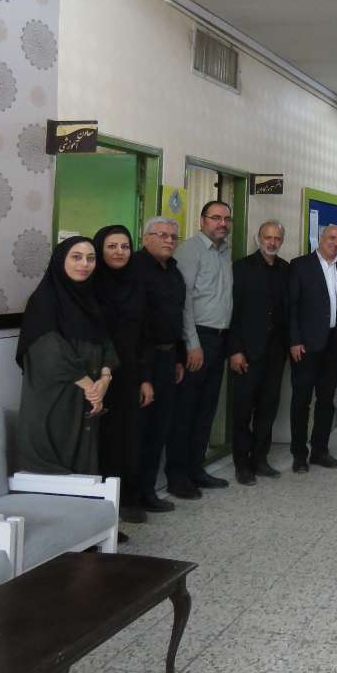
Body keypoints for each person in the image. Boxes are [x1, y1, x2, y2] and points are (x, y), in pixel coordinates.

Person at [15, 236, 116, 474]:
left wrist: (105, 378)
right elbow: (47, 350)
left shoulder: (91, 300)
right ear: (61, 260)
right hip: (56, 400)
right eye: (76, 257)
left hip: (87, 398)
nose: (84, 264)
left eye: (91, 258)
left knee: (82, 463)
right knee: (56, 466)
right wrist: (91, 388)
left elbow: (105, 341)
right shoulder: (44, 300)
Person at [168, 200, 234, 499]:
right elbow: (183, 301)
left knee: (206, 409)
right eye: (215, 218)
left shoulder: (225, 251)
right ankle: (177, 476)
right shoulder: (190, 250)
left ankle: (196, 469)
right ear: (202, 220)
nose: (222, 223)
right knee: (185, 411)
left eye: (226, 219)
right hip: (198, 339)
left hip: (219, 339)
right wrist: (192, 344)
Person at [92, 225, 152, 524]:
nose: (119, 252)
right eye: (112, 246)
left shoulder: (136, 284)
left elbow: (143, 334)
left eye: (125, 246)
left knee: (127, 438)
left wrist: (145, 377)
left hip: (128, 373)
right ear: (100, 249)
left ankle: (127, 499)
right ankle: (99, 510)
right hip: (96, 376)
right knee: (100, 441)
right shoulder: (89, 285)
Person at [288, 224, 337, 471]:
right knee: (301, 400)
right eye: (331, 238)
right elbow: (292, 306)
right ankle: (299, 454)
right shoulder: (300, 266)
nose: (336, 243)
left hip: (334, 345)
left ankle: (320, 450)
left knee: (327, 400)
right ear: (320, 238)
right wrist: (294, 340)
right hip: (305, 345)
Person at [226, 220, 290, 485]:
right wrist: (235, 350)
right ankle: (242, 465)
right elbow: (231, 312)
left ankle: (260, 460)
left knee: (268, 409)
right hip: (246, 353)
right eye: (267, 237)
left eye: (277, 238)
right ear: (258, 238)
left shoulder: (286, 269)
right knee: (242, 411)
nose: (272, 242)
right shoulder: (240, 268)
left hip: (275, 353)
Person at [134, 217, 185, 513]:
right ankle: (131, 497)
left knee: (159, 429)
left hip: (168, 358)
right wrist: (143, 376)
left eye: (173, 237)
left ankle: (148, 491)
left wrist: (178, 357)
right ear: (145, 238)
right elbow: (135, 326)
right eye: (162, 235)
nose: (168, 240)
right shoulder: (136, 269)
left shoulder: (173, 270)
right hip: (143, 360)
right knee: (139, 431)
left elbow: (175, 317)